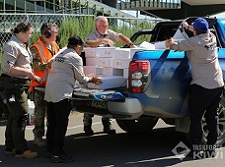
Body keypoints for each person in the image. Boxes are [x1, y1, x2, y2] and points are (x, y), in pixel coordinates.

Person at [165, 18, 224, 158]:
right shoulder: (212, 37)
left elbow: (175, 46)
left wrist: (169, 42)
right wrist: (187, 26)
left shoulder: (193, 42)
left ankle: (196, 149)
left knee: (196, 118)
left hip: (202, 86)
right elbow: (199, 31)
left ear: (196, 31)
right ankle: (211, 150)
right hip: (218, 84)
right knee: (212, 117)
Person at [44, 35, 102, 163]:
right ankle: (57, 154)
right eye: (81, 47)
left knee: (52, 123)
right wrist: (92, 78)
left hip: (50, 91)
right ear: (78, 46)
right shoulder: (75, 57)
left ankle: (49, 150)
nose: (81, 50)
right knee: (61, 124)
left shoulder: (60, 53)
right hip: (62, 94)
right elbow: (82, 80)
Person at [83, 15, 136, 135]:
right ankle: (87, 124)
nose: (105, 27)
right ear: (97, 26)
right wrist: (103, 41)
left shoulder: (109, 33)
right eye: (103, 25)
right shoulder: (93, 35)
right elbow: (88, 43)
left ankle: (106, 124)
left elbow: (119, 36)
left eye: (106, 25)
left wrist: (131, 44)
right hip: (94, 71)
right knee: (91, 101)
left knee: (107, 100)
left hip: (108, 71)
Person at [0, 22, 42, 158]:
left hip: (19, 85)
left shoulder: (21, 44)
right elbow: (8, 68)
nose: (30, 36)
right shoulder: (12, 46)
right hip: (13, 85)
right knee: (21, 115)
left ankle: (11, 146)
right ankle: (21, 150)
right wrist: (28, 73)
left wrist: (32, 75)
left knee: (15, 115)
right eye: (29, 33)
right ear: (22, 32)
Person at [29, 23, 59, 147]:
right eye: (54, 32)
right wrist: (49, 64)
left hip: (52, 84)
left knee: (51, 112)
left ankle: (50, 136)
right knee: (40, 113)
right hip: (39, 85)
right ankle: (38, 136)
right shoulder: (35, 47)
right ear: (46, 34)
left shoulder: (54, 45)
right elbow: (36, 65)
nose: (56, 34)